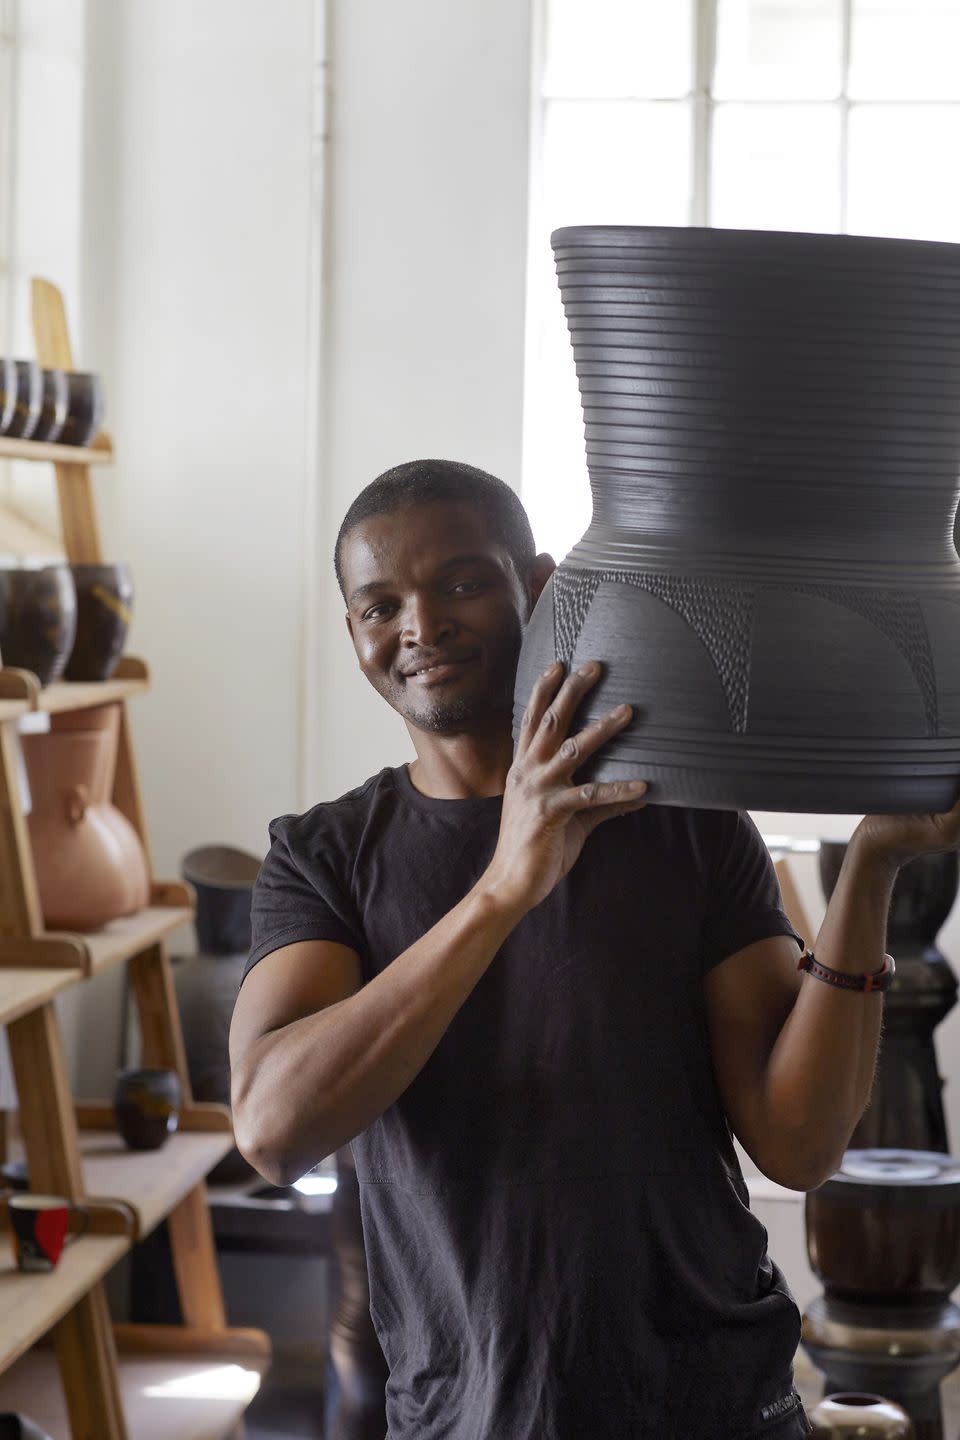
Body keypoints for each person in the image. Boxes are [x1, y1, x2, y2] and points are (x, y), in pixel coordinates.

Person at [230, 457, 960, 1440]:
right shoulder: (322, 857)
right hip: (466, 1419)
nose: (422, 626)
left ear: (535, 586)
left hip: (719, 1406)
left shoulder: (685, 824)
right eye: (380, 604)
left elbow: (800, 1143)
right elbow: (273, 1132)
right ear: (354, 629)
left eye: (460, 582)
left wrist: (872, 867)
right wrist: (503, 889)